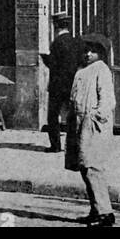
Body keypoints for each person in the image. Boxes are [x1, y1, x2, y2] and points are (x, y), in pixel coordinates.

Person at [65, 33, 116, 228]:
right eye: (86, 50)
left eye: (93, 51)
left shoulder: (101, 70)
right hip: (79, 122)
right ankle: (95, 209)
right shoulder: (81, 70)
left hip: (93, 125)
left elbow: (108, 99)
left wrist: (96, 117)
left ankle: (105, 212)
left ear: (100, 54)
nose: (88, 54)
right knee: (84, 167)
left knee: (93, 167)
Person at [42, 12, 79, 152]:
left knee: (53, 115)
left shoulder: (57, 43)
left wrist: (45, 59)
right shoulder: (75, 41)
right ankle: (72, 145)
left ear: (56, 26)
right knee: (72, 116)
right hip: (71, 84)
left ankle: (55, 145)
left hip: (57, 85)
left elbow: (53, 64)